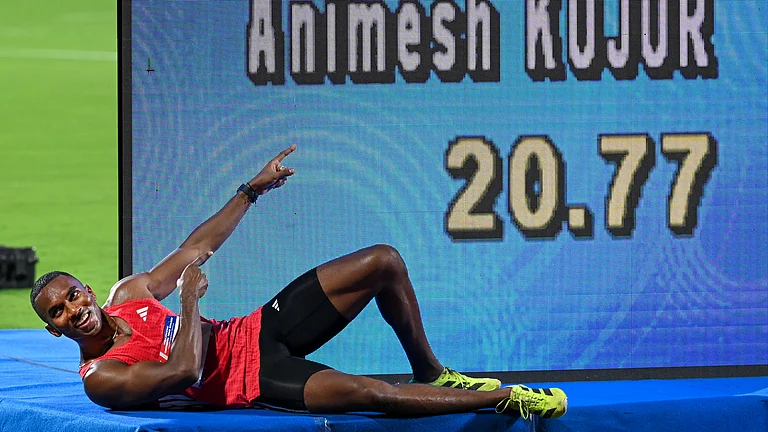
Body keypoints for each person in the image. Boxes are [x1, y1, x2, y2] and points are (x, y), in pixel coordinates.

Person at [30, 145, 567, 420]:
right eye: (59, 312)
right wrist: (190, 299)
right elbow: (186, 369)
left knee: (383, 260)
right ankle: (506, 398)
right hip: (255, 382)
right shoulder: (100, 377)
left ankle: (435, 371)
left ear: (88, 289)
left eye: (73, 294)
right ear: (56, 331)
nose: (73, 309)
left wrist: (251, 190)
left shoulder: (128, 295)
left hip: (256, 330)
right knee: (372, 393)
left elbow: (196, 249)